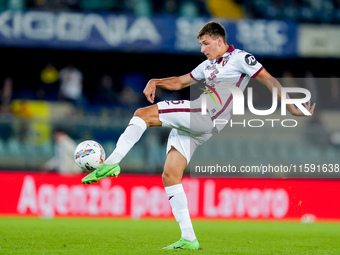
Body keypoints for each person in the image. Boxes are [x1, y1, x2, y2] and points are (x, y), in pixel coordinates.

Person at [81, 21, 316, 250]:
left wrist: (290, 106)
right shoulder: (207, 66)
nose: (202, 49)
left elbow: (268, 79)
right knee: (170, 176)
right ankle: (189, 238)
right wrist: (156, 81)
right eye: (201, 45)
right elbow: (181, 82)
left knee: (143, 114)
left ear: (219, 40)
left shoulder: (240, 58)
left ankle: (111, 163)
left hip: (205, 114)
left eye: (205, 44)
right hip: (202, 125)